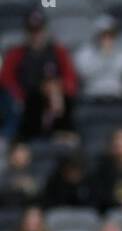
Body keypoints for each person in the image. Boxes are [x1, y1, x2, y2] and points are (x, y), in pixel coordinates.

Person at [0, 10, 79, 142]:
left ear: (45, 30)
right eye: (32, 31)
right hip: (27, 101)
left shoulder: (58, 52)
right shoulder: (16, 53)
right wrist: (19, 96)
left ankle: (62, 134)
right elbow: (6, 80)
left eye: (39, 30)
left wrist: (58, 87)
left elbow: (70, 79)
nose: (36, 35)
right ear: (26, 32)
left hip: (54, 99)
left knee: (60, 102)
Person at [74, 15, 122, 101]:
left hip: (118, 98)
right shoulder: (85, 53)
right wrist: (103, 56)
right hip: (93, 98)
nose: (108, 39)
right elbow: (83, 73)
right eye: (104, 35)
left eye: (111, 35)